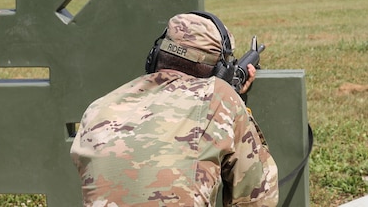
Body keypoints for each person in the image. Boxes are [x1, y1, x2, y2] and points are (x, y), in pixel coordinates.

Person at [70, 11, 279, 206]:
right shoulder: (221, 98)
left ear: (154, 57)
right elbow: (257, 197)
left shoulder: (98, 107)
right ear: (220, 71)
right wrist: (234, 100)